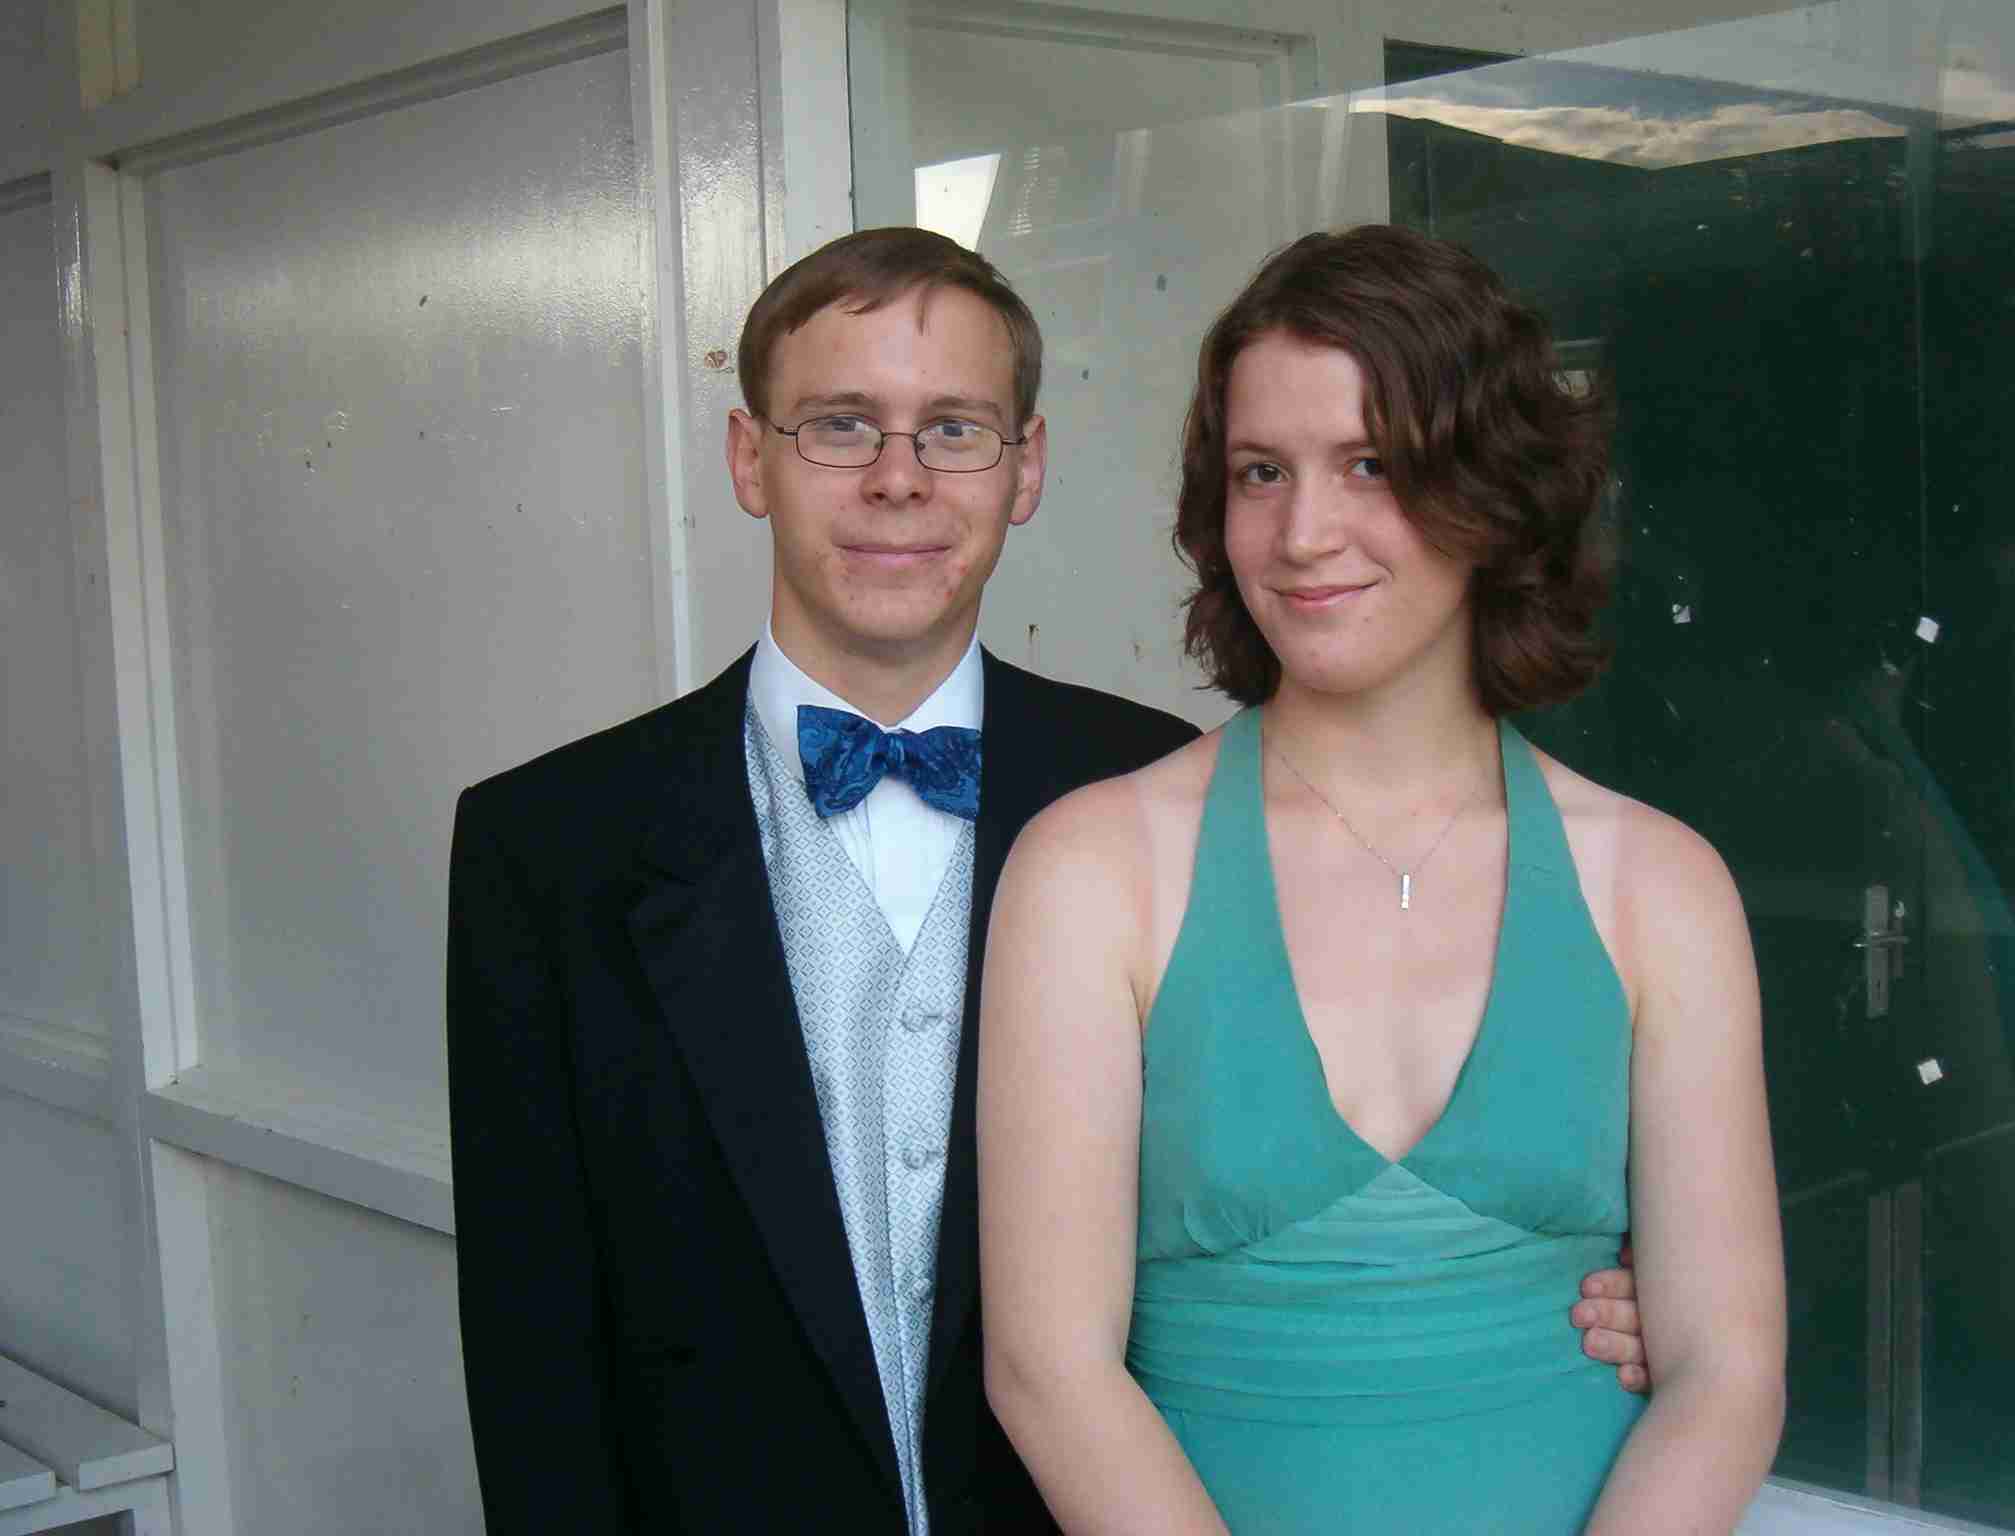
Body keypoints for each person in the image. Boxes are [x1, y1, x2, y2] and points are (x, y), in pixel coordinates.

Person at [447, 227, 1648, 1535]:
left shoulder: (1162, 794)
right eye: (841, 426)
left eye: (954, 430)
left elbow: (1325, 1155)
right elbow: (532, 1360)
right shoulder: (545, 848)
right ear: (749, 458)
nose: (898, 479)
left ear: (1026, 468)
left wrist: (1582, 1280)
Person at [979, 225, 1783, 1534]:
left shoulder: (1659, 884)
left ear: (1493, 491)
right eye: (1262, 471)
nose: (1304, 533)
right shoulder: (1091, 870)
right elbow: (1045, 1372)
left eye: (1370, 464)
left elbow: (1726, 1374)